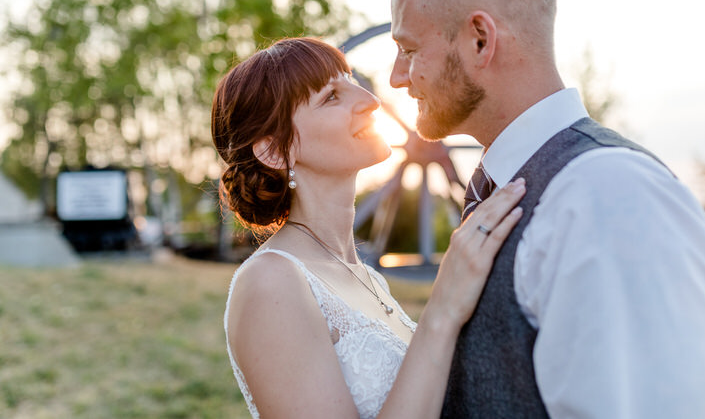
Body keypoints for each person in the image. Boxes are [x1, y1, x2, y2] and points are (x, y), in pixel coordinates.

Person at [389, 0, 705, 418]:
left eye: (408, 50)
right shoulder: (520, 186)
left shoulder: (609, 195)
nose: (396, 77)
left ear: (480, 40)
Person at [212, 36, 526, 419]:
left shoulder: (368, 277)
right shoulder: (270, 282)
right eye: (331, 96)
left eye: (350, 80)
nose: (371, 100)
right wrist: (443, 308)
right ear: (275, 151)